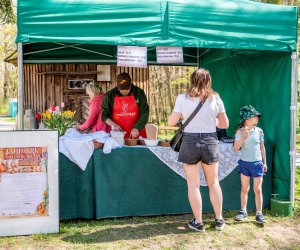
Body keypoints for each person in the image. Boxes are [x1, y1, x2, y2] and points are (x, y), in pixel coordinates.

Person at [168, 68, 229, 232]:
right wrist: (212, 121)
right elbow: (224, 125)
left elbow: (171, 122)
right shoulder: (215, 98)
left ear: (192, 81)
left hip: (189, 141)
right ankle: (219, 220)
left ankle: (198, 222)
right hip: (210, 141)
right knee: (214, 182)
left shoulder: (182, 98)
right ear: (209, 81)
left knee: (193, 185)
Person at [233, 105, 267, 224]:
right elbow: (236, 148)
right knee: (244, 188)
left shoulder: (259, 131)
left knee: (257, 189)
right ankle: (243, 211)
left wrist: (264, 163)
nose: (257, 118)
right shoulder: (239, 131)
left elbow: (262, 148)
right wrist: (243, 137)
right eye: (255, 116)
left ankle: (259, 213)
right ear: (247, 119)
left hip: (257, 163)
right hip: (244, 164)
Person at [102, 72, 149, 139]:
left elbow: (145, 113)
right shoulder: (109, 95)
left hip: (137, 133)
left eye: (126, 88)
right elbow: (104, 115)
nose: (124, 91)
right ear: (117, 86)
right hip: (117, 134)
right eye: (121, 89)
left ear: (130, 85)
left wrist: (137, 128)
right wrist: (113, 125)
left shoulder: (139, 93)